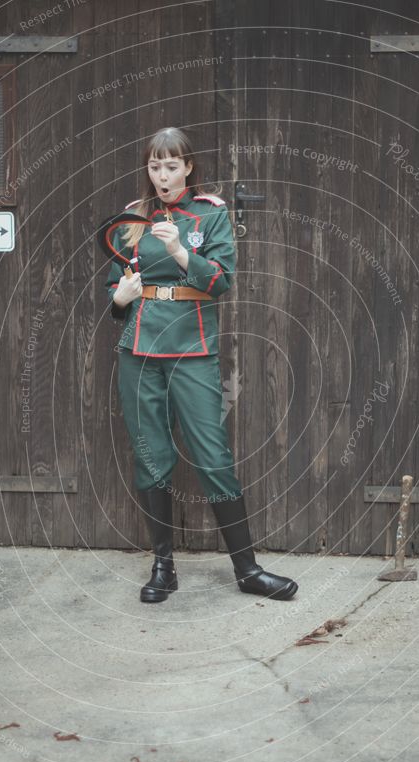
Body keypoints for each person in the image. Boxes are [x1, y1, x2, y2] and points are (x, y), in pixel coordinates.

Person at [105, 127, 298, 604]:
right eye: (155, 166)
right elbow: (117, 282)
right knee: (150, 458)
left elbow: (222, 281)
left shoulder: (210, 215)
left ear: (188, 167)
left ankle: (248, 570)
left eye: (172, 165)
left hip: (191, 349)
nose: (163, 174)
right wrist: (120, 298)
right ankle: (163, 568)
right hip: (140, 350)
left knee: (213, 458)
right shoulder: (133, 216)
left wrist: (178, 251)